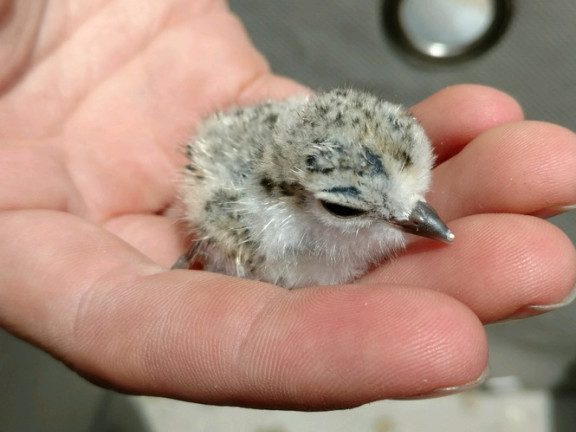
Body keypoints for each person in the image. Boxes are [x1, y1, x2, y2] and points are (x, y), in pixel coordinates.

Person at [0, 0, 575, 410]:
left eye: (417, 185)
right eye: (348, 210)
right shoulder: (250, 224)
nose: (417, 217)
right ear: (293, 199)